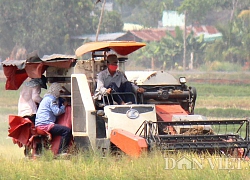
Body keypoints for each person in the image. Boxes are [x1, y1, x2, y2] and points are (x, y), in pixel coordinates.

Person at [35, 82, 71, 154]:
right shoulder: (52, 99)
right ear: (55, 90)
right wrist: (64, 105)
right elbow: (57, 112)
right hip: (46, 125)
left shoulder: (46, 98)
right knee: (66, 131)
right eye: (59, 91)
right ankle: (62, 152)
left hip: (39, 124)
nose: (59, 94)